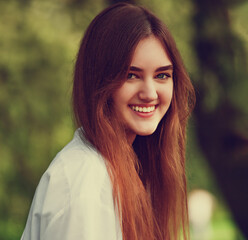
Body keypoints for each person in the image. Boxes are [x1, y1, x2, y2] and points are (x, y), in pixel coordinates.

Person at [21, 2, 195, 240]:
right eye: (131, 75)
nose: (150, 93)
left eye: (162, 75)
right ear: (100, 81)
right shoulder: (84, 185)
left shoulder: (125, 169)